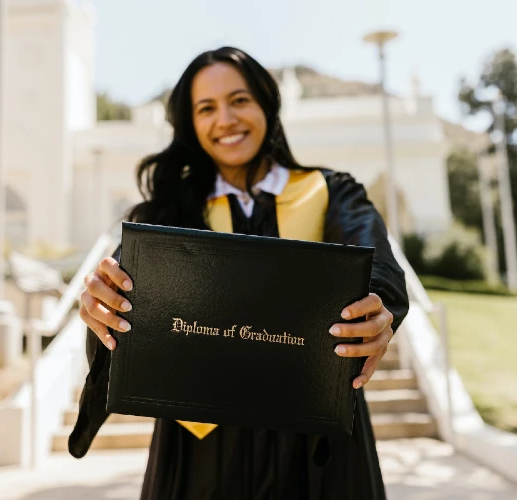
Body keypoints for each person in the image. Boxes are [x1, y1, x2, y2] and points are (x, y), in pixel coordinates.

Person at [69, 46, 409, 500]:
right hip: (201, 451)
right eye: (206, 108)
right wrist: (101, 304)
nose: (225, 119)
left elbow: (378, 267)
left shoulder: (330, 193)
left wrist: (379, 306)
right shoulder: (167, 215)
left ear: (268, 104)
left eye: (240, 100)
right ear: (191, 124)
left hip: (317, 449)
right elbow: (119, 305)